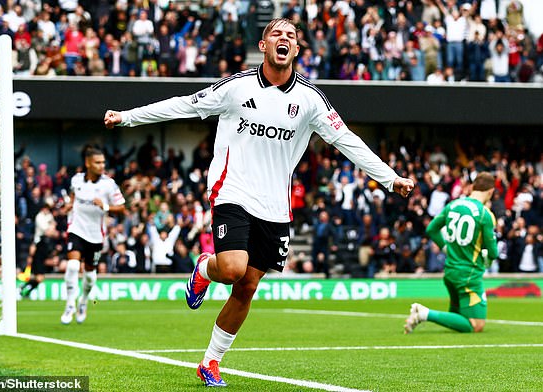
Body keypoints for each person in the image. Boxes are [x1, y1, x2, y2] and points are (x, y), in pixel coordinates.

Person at [104, 18, 414, 387]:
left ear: (297, 50)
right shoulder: (237, 87)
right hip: (231, 191)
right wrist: (127, 118)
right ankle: (207, 268)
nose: (284, 40)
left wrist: (388, 177)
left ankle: (210, 361)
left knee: (247, 287)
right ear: (263, 45)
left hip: (275, 205)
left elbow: (346, 140)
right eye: (276, 35)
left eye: (291, 37)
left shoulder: (310, 100)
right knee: (233, 269)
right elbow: (184, 105)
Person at [404, 172, 498, 334]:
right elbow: (494, 252)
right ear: (490, 192)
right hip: (469, 275)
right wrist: (487, 257)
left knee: (457, 317)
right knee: (476, 325)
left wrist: (445, 247)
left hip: (450, 270)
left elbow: (431, 229)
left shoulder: (453, 205)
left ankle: (423, 316)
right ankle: (424, 313)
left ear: (472, 187)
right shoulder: (484, 214)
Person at [61, 148, 126, 324]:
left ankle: (83, 301)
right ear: (88, 163)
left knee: (90, 275)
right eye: (98, 162)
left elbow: (122, 207)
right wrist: (68, 206)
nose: (102, 165)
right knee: (73, 266)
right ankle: (69, 305)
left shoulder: (109, 184)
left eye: (103, 162)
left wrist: (105, 206)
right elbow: (73, 197)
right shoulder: (76, 180)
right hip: (76, 229)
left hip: (95, 235)